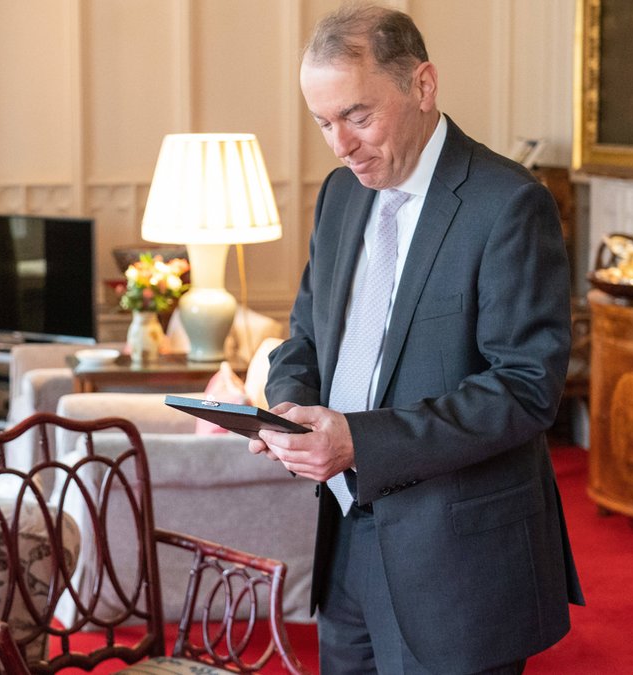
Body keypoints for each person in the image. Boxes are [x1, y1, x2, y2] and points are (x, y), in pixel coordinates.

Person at [249, 4, 584, 673]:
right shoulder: (339, 196)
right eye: (323, 122)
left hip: (454, 555)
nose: (341, 143)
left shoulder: (509, 203)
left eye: (358, 115)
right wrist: (286, 407)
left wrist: (359, 440)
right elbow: (304, 340)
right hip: (342, 539)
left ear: (423, 87)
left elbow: (525, 388)